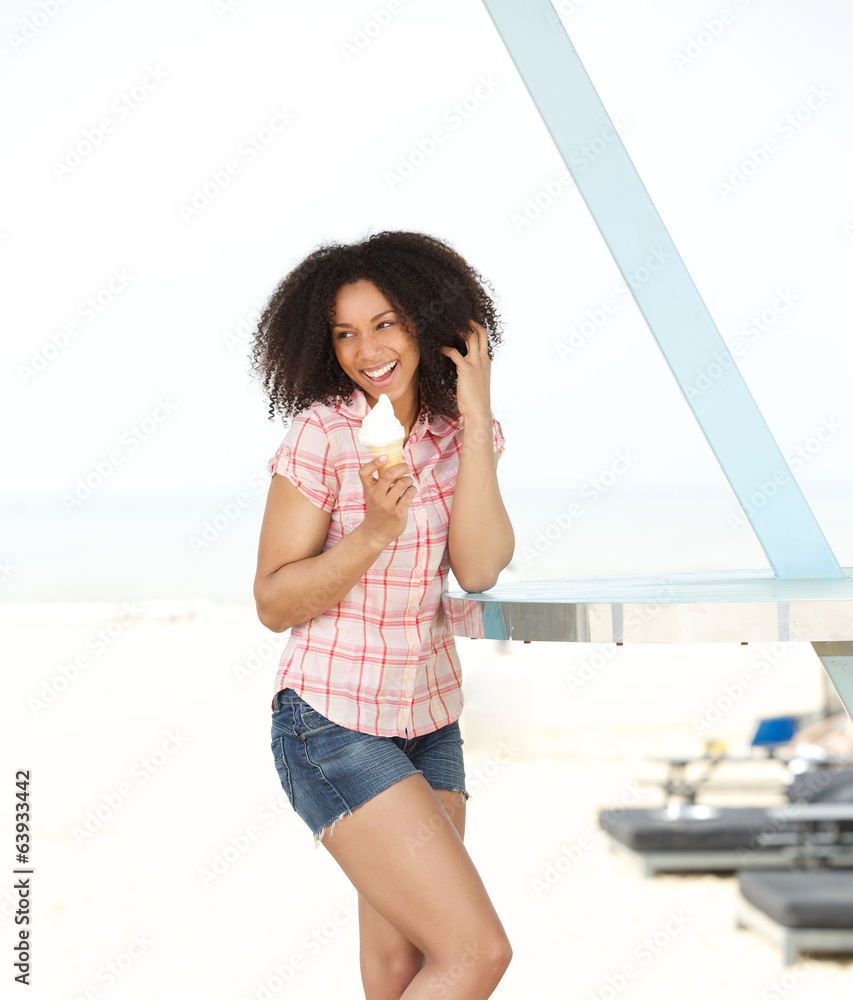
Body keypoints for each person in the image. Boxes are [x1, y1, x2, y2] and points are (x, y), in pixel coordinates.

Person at [251, 230, 515, 999]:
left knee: (405, 967)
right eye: (343, 332)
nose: (365, 349)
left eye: (384, 323)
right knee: (476, 953)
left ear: (430, 323)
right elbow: (273, 599)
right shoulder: (323, 435)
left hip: (429, 720)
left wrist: (474, 413)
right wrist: (371, 532)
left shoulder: (458, 433)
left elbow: (480, 564)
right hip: (332, 722)